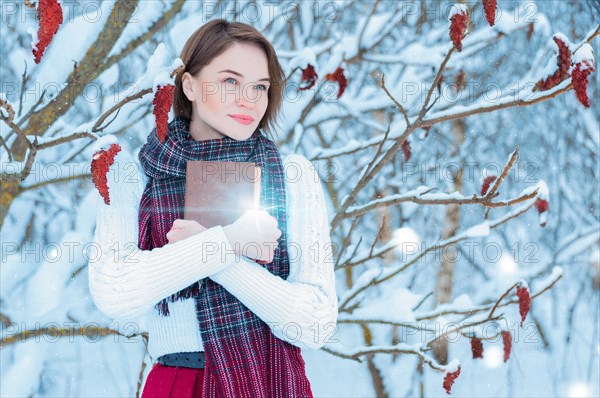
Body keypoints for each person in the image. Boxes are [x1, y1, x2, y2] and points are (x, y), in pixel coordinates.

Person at [87, 19, 338, 398]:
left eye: (260, 87)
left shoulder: (291, 177)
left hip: (270, 381)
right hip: (178, 383)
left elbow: (316, 323)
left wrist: (217, 252)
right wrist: (229, 241)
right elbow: (115, 293)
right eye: (230, 82)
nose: (248, 100)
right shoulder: (134, 174)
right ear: (189, 85)